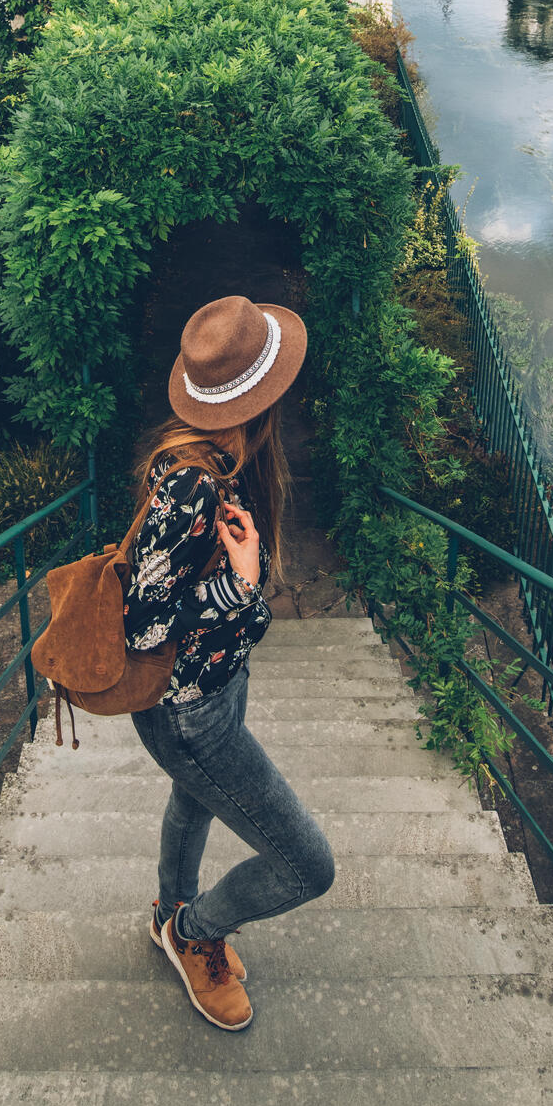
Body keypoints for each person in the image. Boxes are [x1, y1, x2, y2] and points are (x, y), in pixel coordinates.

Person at [125, 295, 335, 1032]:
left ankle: (167, 913)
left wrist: (237, 599)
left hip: (219, 684)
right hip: (189, 714)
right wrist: (239, 585)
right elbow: (144, 625)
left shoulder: (225, 460)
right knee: (308, 867)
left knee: (196, 801)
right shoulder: (191, 485)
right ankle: (193, 934)